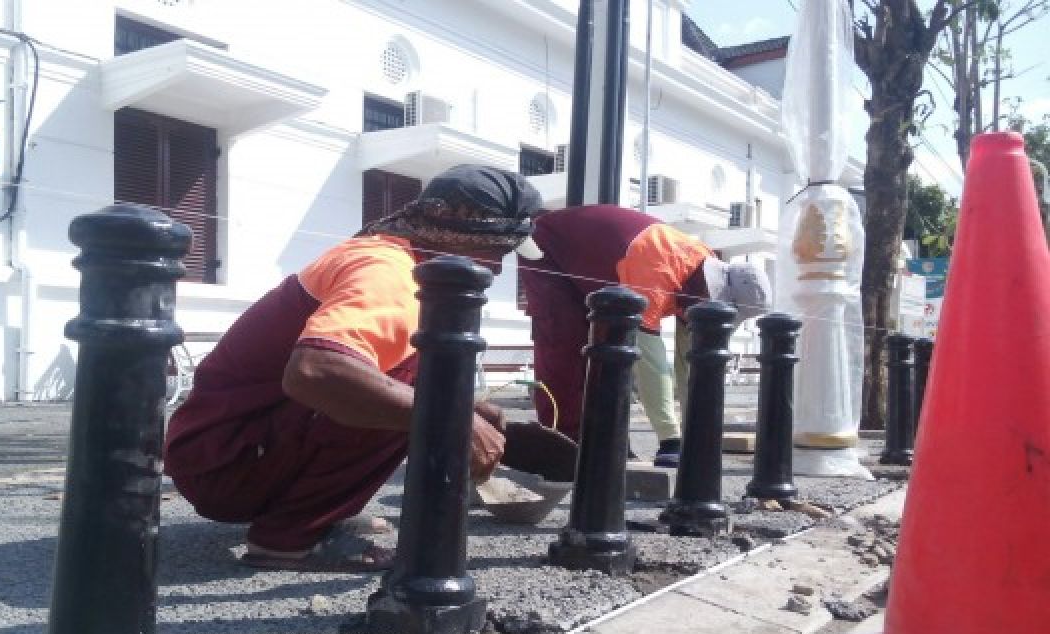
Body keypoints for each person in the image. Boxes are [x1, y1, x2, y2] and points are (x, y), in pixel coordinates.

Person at [164, 165, 544, 572]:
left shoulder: (394, 255)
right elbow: (317, 372)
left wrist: (465, 408)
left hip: (227, 446)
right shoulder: (390, 273)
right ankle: (290, 537)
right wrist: (455, 419)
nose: (500, 270)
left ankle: (322, 510)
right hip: (224, 463)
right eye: (498, 252)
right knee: (407, 396)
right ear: (461, 236)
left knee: (420, 393)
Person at [516, 204, 771, 467]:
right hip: (549, 248)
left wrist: (696, 434)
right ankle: (563, 448)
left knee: (610, 358)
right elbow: (652, 363)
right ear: (711, 289)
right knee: (566, 349)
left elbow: (693, 363)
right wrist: (670, 440)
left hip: (606, 270)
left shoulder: (699, 271)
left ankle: (606, 444)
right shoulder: (657, 268)